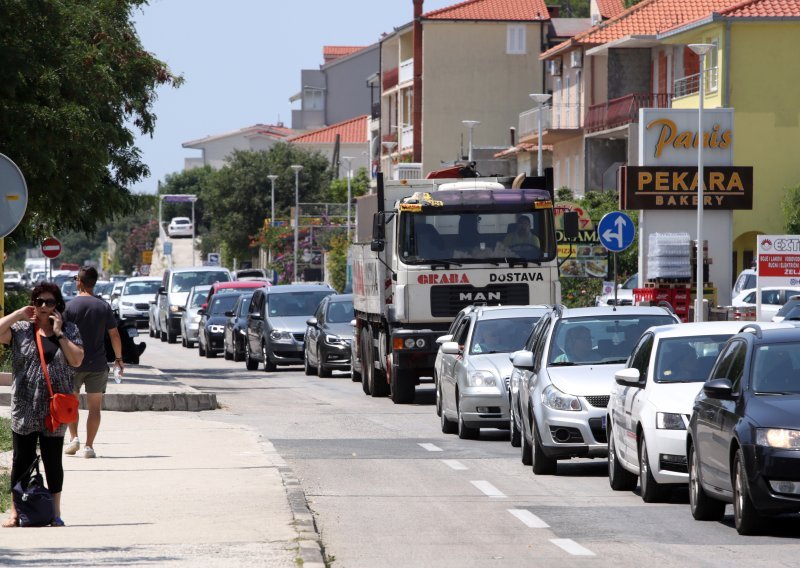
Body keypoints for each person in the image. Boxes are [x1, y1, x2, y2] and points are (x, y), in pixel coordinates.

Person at [0, 283, 84, 527]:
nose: (45, 306)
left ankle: (54, 513)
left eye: (50, 302)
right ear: (33, 304)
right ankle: (16, 512)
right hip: (25, 407)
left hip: (54, 410)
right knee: (21, 461)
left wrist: (59, 333)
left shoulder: (69, 329)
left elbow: (77, 360)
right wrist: (17, 314)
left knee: (52, 460)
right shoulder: (21, 330)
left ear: (58, 304)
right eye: (40, 301)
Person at [63, 266, 124, 459]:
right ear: (94, 283)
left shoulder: (70, 307)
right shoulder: (103, 306)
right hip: (97, 363)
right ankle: (89, 446)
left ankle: (74, 438)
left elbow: (61, 335)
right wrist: (119, 358)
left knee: (71, 404)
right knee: (95, 407)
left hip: (72, 362)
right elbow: (114, 334)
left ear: (79, 282)